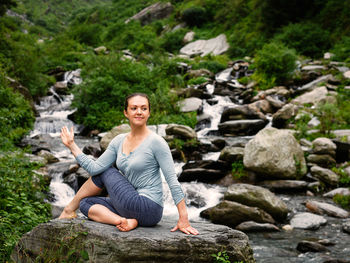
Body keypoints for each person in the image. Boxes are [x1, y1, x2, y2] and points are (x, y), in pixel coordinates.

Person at [59, 93, 199, 235]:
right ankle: (123, 221)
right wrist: (72, 145)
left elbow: (172, 181)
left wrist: (183, 217)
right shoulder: (118, 141)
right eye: (134, 108)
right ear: (126, 112)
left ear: (149, 113)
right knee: (85, 203)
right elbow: (94, 168)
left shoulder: (157, 142)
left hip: (149, 207)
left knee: (106, 171)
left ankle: (68, 210)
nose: (139, 112)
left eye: (144, 108)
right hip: (129, 204)